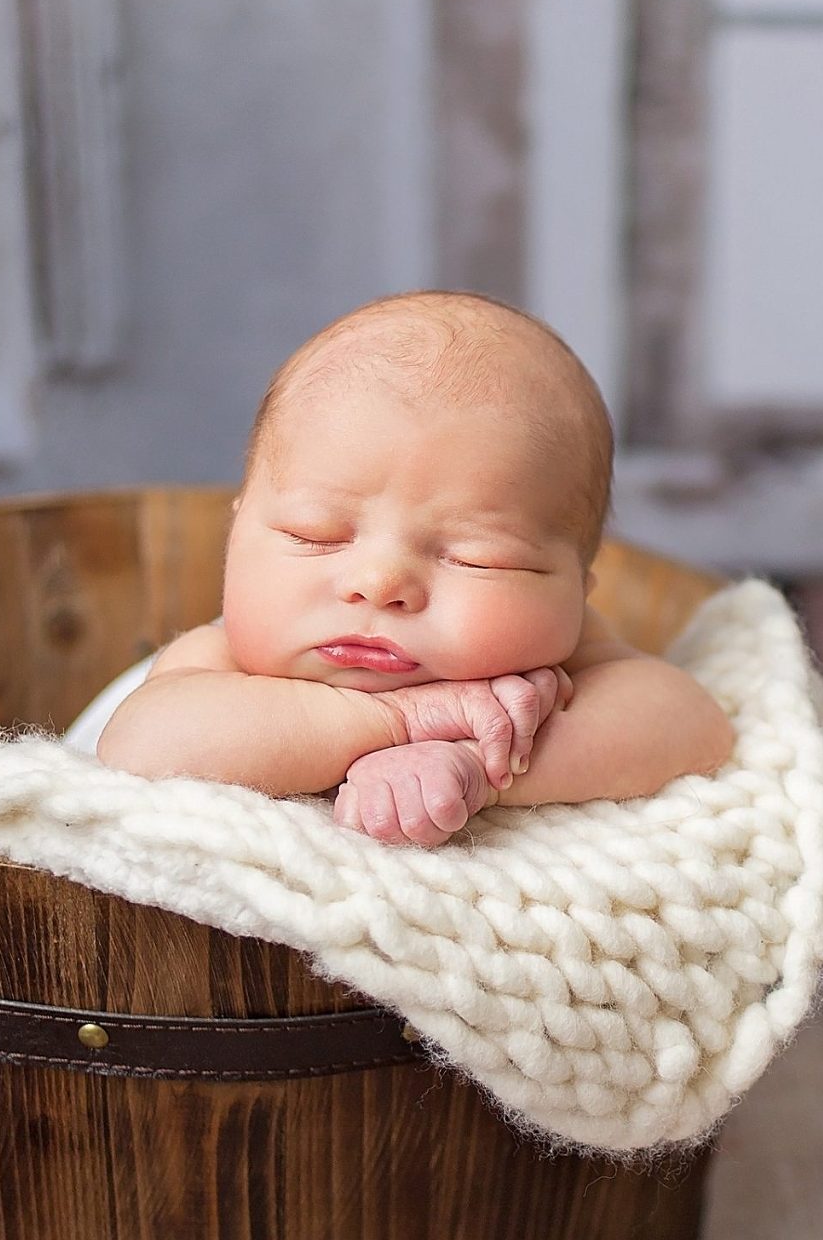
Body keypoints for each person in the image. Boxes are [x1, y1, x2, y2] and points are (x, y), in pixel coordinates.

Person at [84, 289, 735, 848]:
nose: (380, 580)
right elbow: (142, 748)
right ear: (238, 531)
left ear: (576, 588)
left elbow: (691, 726)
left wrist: (479, 764)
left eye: (475, 557)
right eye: (314, 534)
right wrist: (403, 723)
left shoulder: (565, 658)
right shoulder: (223, 659)